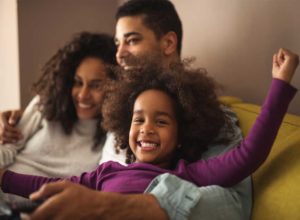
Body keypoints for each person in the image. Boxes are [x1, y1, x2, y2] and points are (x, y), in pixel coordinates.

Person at [0, 0, 272, 219]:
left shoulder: (207, 118)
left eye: (131, 40)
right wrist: (15, 120)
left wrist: (111, 207)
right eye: (118, 43)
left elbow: (233, 206)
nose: (118, 55)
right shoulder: (118, 111)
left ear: (168, 43)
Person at [0, 32, 117, 199]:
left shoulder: (113, 139)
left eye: (95, 85)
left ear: (115, 88)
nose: (83, 95)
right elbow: (7, 149)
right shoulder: (47, 105)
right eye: (78, 83)